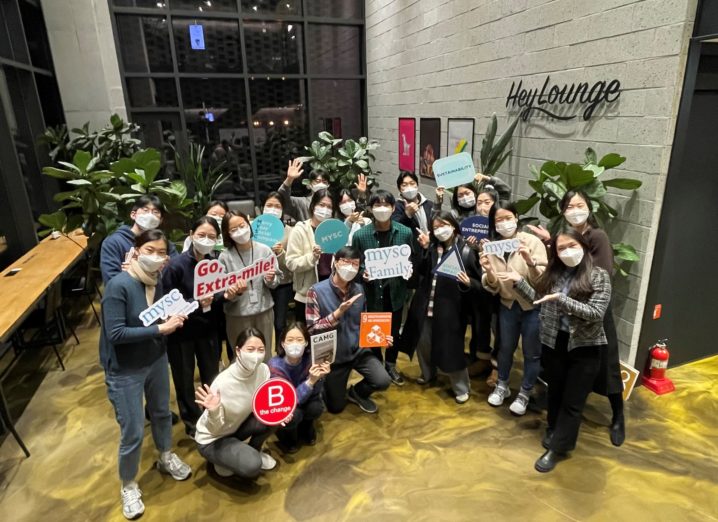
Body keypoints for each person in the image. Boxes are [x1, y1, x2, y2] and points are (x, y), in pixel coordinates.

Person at [100, 229, 191, 520]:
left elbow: (158, 314)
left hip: (155, 359)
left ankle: (165, 455)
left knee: (162, 413)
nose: (156, 257)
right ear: (136, 250)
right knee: (133, 431)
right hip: (125, 369)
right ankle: (128, 484)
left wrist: (175, 316)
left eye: (162, 252)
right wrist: (160, 329)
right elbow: (115, 333)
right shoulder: (119, 286)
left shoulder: (157, 280)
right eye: (149, 250)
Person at [505, 228, 611, 472]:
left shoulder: (599, 276)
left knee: (573, 400)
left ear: (583, 246)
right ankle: (553, 428)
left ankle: (558, 448)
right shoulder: (555, 274)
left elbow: (596, 313)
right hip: (555, 342)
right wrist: (519, 282)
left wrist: (561, 300)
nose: (567, 252)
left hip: (584, 347)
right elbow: (538, 299)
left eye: (572, 246)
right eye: (561, 248)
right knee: (555, 392)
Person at [527, 190, 625, 445]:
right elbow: (556, 271)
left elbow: (599, 274)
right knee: (563, 375)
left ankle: (618, 416)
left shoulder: (597, 236)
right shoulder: (563, 236)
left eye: (579, 205)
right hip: (564, 313)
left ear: (589, 207)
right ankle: (558, 423)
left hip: (593, 310)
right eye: (569, 207)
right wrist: (550, 247)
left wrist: (566, 296)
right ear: (563, 212)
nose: (575, 211)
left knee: (607, 368)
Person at [402, 211, 480, 404]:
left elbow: (479, 285)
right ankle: (428, 373)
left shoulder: (466, 250)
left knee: (451, 348)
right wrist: (423, 249)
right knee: (423, 343)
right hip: (425, 305)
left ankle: (461, 387)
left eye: (443, 225)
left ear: (453, 226)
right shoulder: (432, 248)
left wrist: (468, 282)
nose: (440, 230)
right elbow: (420, 272)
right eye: (435, 227)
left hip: (450, 310)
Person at [306, 246, 392, 414]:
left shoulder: (359, 289)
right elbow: (312, 328)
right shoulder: (315, 291)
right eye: (346, 262)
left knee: (383, 381)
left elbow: (364, 323)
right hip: (333, 357)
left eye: (355, 264)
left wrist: (381, 338)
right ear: (336, 262)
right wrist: (337, 314)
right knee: (335, 408)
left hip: (358, 351)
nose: (350, 267)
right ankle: (325, 386)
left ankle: (356, 393)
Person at [480, 202, 547, 415]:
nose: (504, 223)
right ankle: (502, 385)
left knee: (531, 353)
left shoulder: (532, 242)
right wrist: (489, 272)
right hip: (507, 305)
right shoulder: (492, 247)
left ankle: (525, 392)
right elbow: (492, 285)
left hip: (532, 307)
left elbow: (543, 280)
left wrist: (529, 262)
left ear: (516, 218)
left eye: (507, 218)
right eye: (498, 220)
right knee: (505, 348)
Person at [162, 216, 222, 437]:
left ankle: (211, 413)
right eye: (201, 235)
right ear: (191, 235)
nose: (206, 240)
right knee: (184, 379)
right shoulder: (175, 265)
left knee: (211, 374)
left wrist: (220, 296)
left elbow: (220, 293)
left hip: (208, 329)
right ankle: (192, 422)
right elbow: (167, 303)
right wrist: (196, 302)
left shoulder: (215, 263)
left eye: (211, 237)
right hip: (181, 333)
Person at [194, 328, 279, 478]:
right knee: (252, 465)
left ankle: (251, 450)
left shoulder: (263, 370)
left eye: (261, 350)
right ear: (238, 351)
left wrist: (281, 412)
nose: (256, 355)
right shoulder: (222, 383)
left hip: (236, 428)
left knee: (275, 417)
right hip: (213, 438)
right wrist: (214, 410)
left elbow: (264, 404)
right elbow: (213, 428)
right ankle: (223, 457)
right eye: (250, 349)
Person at [351, 189, 415, 386]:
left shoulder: (405, 232)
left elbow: (410, 258)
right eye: (377, 205)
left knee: (394, 332)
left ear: (393, 208)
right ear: (370, 209)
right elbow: (355, 263)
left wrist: (408, 268)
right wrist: (363, 272)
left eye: (386, 205)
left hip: (395, 292)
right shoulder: (361, 235)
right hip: (372, 294)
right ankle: (377, 365)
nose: (382, 209)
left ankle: (391, 365)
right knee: (374, 331)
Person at [220, 211, 279, 361]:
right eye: (234, 229)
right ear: (227, 233)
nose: (240, 231)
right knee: (241, 356)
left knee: (264, 354)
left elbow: (276, 281)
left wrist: (271, 279)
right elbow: (223, 293)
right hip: (237, 315)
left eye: (242, 225)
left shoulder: (264, 250)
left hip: (264, 311)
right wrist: (235, 292)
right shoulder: (225, 257)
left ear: (248, 224)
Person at [268, 322, 329, 453]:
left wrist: (320, 377)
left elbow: (316, 394)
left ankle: (307, 426)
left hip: (306, 399)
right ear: (283, 343)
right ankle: (288, 434)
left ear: (306, 343)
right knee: (293, 416)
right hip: (288, 405)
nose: (295, 344)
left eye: (299, 340)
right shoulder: (274, 365)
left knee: (316, 407)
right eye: (290, 340)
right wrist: (310, 381)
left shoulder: (312, 359)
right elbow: (285, 401)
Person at [100, 195, 178, 285]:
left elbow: (176, 275)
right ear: (133, 214)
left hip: (158, 292)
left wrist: (164, 269)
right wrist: (134, 274)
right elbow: (111, 280)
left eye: (155, 212)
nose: (150, 215)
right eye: (145, 210)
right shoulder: (114, 242)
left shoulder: (164, 245)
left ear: (160, 220)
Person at [285, 189, 335, 321]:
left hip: (331, 293)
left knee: (329, 331)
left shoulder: (335, 231)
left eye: (329, 207)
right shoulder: (300, 230)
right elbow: (291, 263)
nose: (325, 209)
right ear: (313, 206)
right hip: (306, 295)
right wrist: (312, 257)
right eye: (321, 205)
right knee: (306, 332)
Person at [262, 191, 295, 344]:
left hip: (283, 283)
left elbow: (291, 263)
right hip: (261, 283)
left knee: (280, 323)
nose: (273, 209)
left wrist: (280, 252)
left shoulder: (290, 231)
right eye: (269, 205)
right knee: (264, 322)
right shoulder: (256, 230)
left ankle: (280, 349)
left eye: (277, 206)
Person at [391, 171, 434, 236]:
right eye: (404, 185)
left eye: (412, 183)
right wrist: (407, 215)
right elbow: (396, 230)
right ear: (399, 189)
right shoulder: (396, 207)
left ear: (417, 185)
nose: (409, 187)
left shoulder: (428, 204)